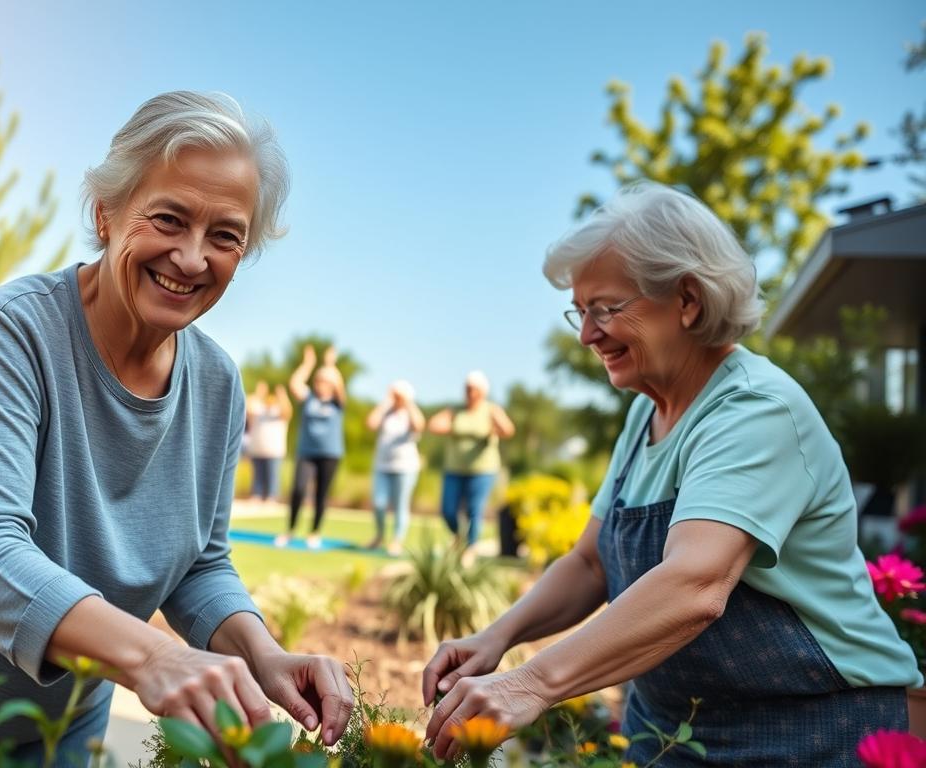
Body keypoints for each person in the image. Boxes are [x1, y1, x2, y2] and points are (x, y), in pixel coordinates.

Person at [0, 92, 353, 767]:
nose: (192, 258)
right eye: (169, 219)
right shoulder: (13, 330)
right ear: (106, 213)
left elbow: (198, 563)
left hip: (63, 699)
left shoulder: (218, 384)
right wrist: (154, 657)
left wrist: (264, 656)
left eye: (225, 236)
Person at [422, 181, 919, 765]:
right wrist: (496, 638)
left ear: (687, 299)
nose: (586, 335)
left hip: (811, 728)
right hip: (676, 732)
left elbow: (695, 585)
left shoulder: (754, 410)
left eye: (606, 309)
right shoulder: (646, 413)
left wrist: (531, 685)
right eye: (580, 312)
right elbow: (590, 563)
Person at [427, 370, 515, 555]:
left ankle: (470, 548)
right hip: (454, 468)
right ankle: (460, 536)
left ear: (482, 391)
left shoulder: (491, 409)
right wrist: (452, 427)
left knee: (474, 509)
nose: (469, 392)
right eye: (467, 388)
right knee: (448, 510)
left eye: (473, 389)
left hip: (483, 469)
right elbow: (433, 425)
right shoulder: (455, 410)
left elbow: (508, 430)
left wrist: (494, 425)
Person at [276, 345, 346, 550]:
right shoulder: (308, 399)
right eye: (319, 381)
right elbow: (294, 383)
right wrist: (308, 364)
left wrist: (330, 365)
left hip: (330, 454)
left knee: (321, 494)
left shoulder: (337, 402)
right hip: (307, 452)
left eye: (326, 381)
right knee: (298, 489)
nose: (322, 384)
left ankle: (314, 533)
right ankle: (289, 530)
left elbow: (338, 383)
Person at [365, 380, 424, 555]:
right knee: (379, 503)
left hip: (405, 467)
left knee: (400, 504)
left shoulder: (410, 412)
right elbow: (370, 423)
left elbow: (419, 425)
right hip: (382, 465)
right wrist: (386, 402)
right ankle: (379, 536)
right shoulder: (387, 411)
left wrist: (407, 402)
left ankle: (397, 540)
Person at [245, 380, 292, 506]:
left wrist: (282, 394)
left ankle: (272, 497)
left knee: (272, 477)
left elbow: (287, 410)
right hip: (257, 450)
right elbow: (247, 406)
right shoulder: (258, 410)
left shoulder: (279, 413)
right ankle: (256, 496)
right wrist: (259, 393)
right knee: (257, 479)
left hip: (274, 451)